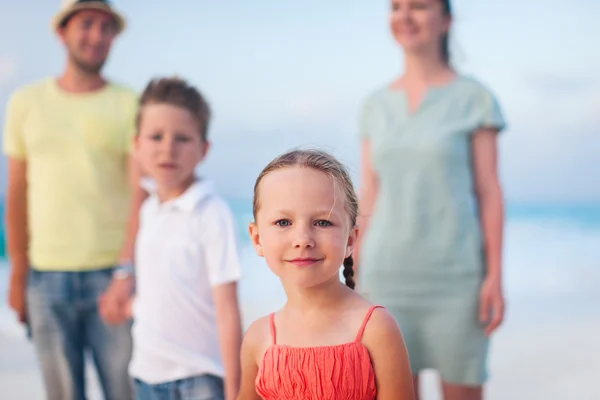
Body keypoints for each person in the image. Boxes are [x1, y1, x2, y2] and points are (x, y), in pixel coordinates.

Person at [355, 1, 507, 399]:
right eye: (396, 6)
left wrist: (494, 275)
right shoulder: (374, 106)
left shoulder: (475, 99)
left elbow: (489, 191)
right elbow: (370, 193)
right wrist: (352, 272)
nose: (405, 16)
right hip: (385, 276)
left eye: (419, 6)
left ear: (447, 20)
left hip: (456, 278)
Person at [2, 1, 144, 399]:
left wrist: (126, 270)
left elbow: (140, 191)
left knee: (124, 392)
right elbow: (17, 192)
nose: (97, 36)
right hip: (45, 281)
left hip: (111, 278)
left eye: (105, 27)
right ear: (62, 31)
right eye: (87, 24)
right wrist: (18, 274)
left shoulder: (128, 103)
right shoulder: (25, 103)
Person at [100, 77, 244, 400]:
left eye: (182, 138)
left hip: (200, 379)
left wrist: (236, 390)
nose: (168, 148)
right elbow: (161, 286)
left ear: (204, 149)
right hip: (145, 376)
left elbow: (228, 310)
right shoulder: (149, 210)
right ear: (137, 146)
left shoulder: (211, 213)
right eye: (156, 137)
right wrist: (131, 303)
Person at [236, 149, 415, 400]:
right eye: (283, 222)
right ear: (256, 238)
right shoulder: (258, 337)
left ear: (351, 239)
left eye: (322, 222)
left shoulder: (376, 329)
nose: (302, 240)